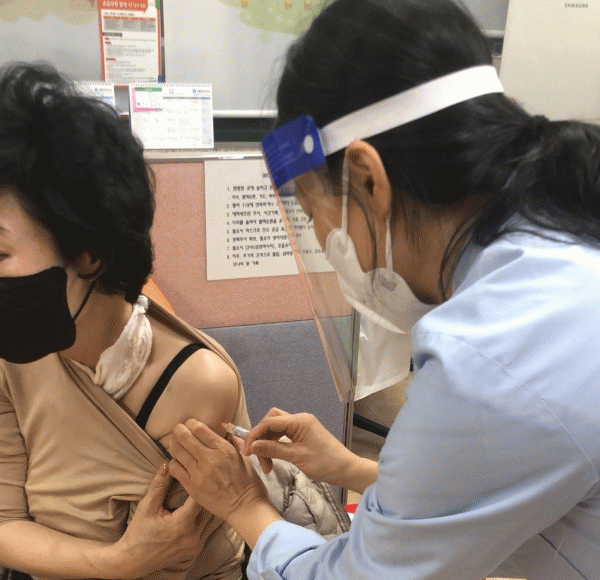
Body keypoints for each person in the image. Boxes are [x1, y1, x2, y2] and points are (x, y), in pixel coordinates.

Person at [165, 0, 600, 579]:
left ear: (367, 178)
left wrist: (245, 506)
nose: (328, 242)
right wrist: (352, 467)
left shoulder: (493, 356)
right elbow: (500, 484)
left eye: (315, 216)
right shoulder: (563, 236)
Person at [0, 63, 251, 580]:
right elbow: (4, 523)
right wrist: (119, 560)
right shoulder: (13, 352)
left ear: (89, 253)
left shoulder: (196, 385)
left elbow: (177, 556)